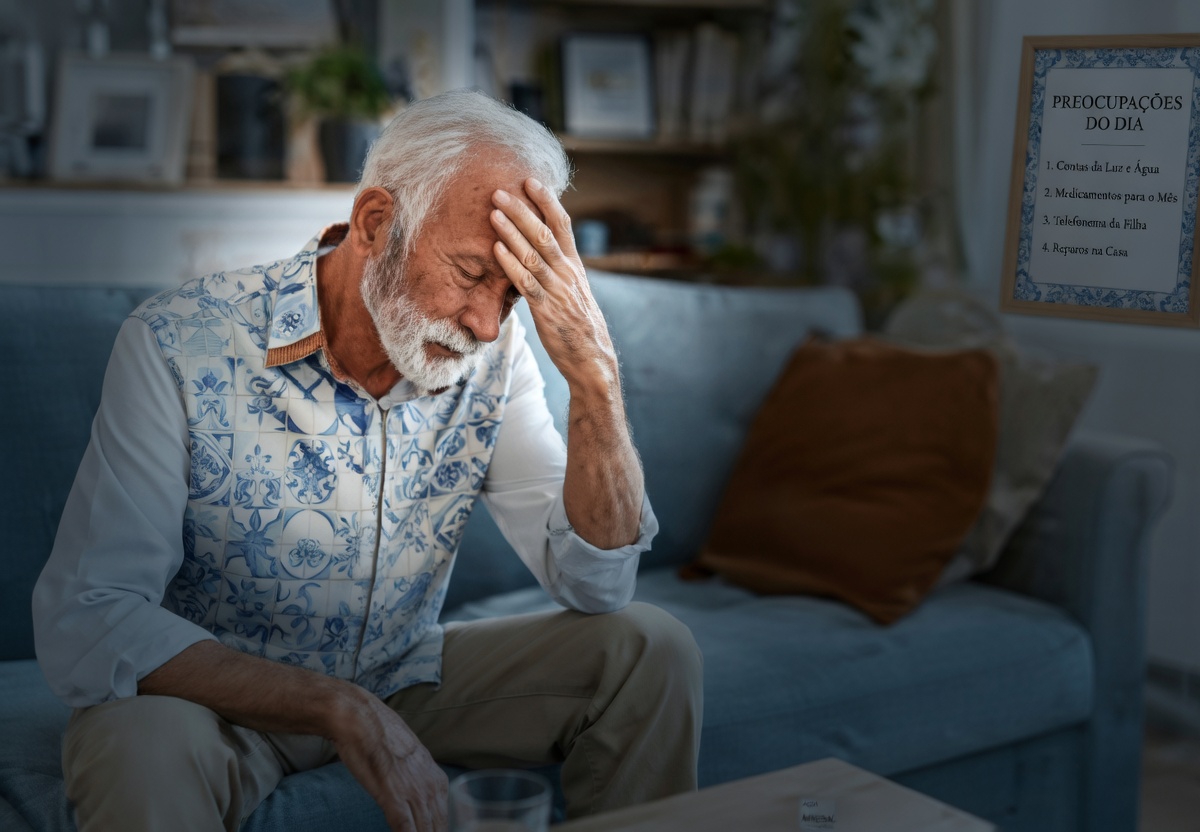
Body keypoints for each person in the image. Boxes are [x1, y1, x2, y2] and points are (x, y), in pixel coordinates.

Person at [32, 89, 703, 832]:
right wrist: (335, 706)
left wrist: (596, 377)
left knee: (650, 649)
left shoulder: (493, 355)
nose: (486, 324)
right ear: (376, 223)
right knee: (134, 745)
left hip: (404, 676)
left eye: (513, 294)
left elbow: (597, 583)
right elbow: (91, 615)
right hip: (222, 702)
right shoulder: (179, 342)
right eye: (471, 273)